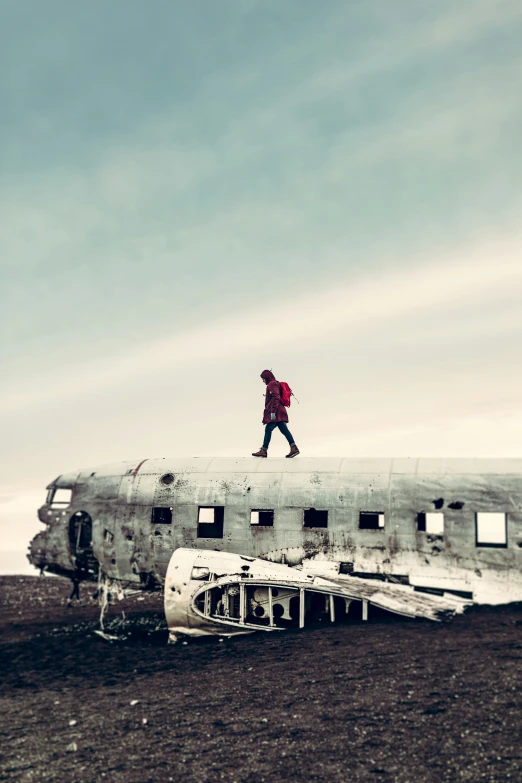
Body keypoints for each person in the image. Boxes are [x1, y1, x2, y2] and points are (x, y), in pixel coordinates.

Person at [252, 370, 300, 458]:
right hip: (279, 411)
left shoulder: (272, 384)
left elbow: (276, 397)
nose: (263, 381)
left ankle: (264, 450)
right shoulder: (275, 383)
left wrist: (273, 412)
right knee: (284, 429)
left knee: (268, 429)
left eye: (263, 379)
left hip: (276, 412)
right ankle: (293, 447)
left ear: (267, 377)